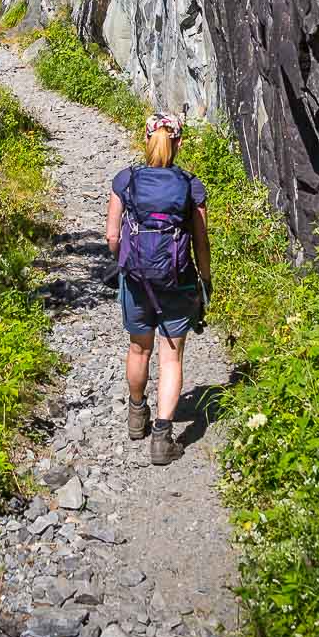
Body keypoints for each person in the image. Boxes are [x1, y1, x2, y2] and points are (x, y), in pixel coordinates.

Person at [105, 112, 212, 465]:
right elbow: (201, 240)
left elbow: (111, 236)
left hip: (136, 281)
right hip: (178, 282)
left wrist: (126, 263)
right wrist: (205, 279)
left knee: (139, 349)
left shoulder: (126, 180)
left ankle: (138, 417)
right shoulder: (190, 186)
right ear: (178, 143)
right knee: (171, 357)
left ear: (146, 141)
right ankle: (163, 440)